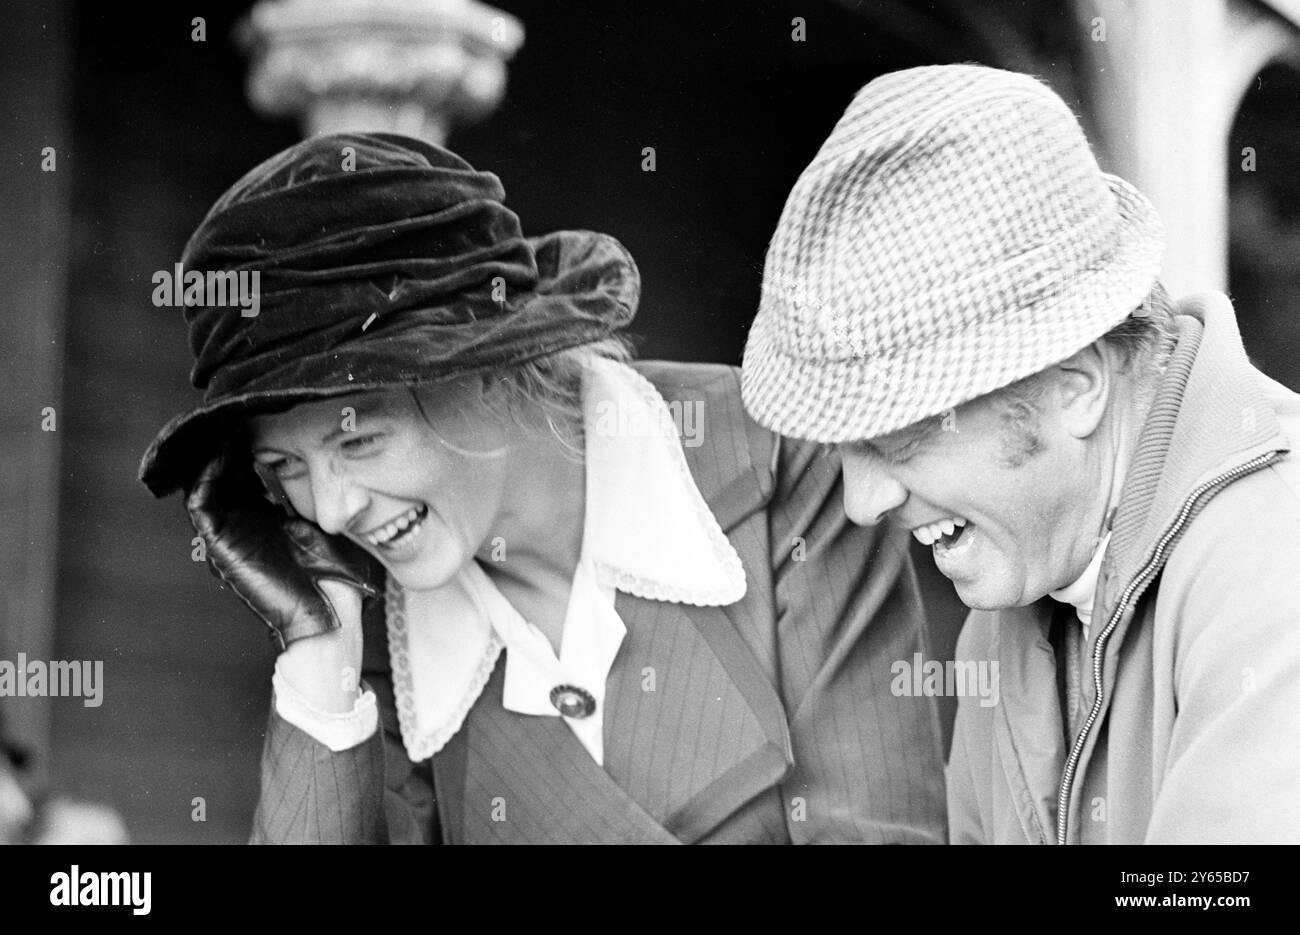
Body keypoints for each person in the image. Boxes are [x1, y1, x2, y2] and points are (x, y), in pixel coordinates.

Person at [138, 132, 946, 844]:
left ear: (490, 363)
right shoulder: (373, 628)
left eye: (358, 439)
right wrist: (319, 658)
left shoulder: (782, 467)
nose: (333, 508)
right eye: (284, 470)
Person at [740, 64, 1300, 844]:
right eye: (839, 449)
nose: (861, 502)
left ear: (1075, 386)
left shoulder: (1278, 562)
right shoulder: (1012, 602)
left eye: (895, 435)